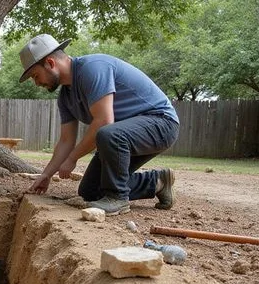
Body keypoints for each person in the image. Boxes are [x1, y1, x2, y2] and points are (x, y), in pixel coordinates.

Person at [20, 34, 179, 215]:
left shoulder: (92, 68)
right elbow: (66, 140)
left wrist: (72, 158)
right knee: (89, 191)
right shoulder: (65, 97)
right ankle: (158, 181)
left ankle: (117, 198)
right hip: (122, 137)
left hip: (161, 123)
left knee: (107, 132)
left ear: (50, 63)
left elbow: (104, 121)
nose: (36, 83)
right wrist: (46, 174)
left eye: (35, 75)